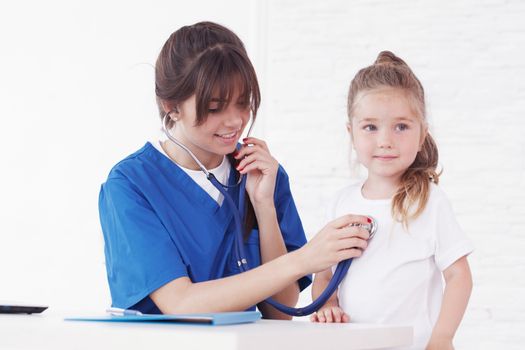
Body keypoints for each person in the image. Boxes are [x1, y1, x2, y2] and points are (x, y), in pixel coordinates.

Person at [98, 21, 370, 320]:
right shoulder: (131, 185)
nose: (235, 121)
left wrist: (264, 206)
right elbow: (181, 304)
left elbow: (280, 311)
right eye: (215, 107)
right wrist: (303, 260)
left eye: (243, 103)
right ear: (171, 106)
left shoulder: (262, 174)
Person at [310, 51, 474, 349]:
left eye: (401, 127)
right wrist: (327, 305)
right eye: (370, 127)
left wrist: (442, 337)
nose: (385, 140)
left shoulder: (429, 202)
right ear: (352, 133)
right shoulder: (340, 203)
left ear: (422, 133)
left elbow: (459, 276)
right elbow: (323, 275)